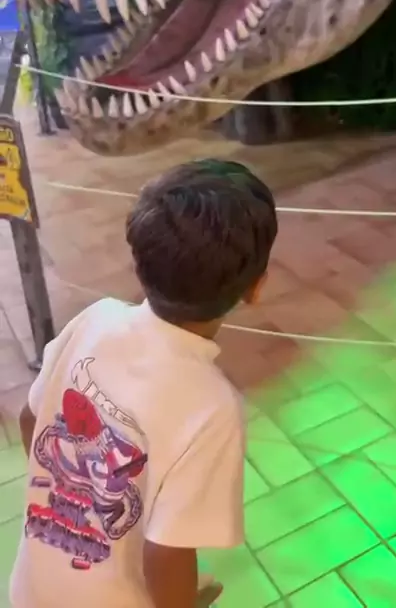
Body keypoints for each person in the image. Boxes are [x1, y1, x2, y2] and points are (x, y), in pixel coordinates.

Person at [11, 158, 278, 608]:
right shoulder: (212, 406)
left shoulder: (94, 319)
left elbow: (29, 419)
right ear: (255, 288)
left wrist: (67, 499)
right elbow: (167, 554)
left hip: (32, 589)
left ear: (140, 262)